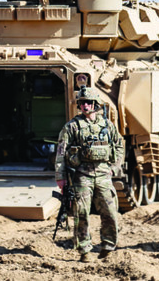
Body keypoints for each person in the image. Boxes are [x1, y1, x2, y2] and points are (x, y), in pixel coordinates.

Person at [54, 86, 124, 263]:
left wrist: (114, 168)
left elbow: (119, 146)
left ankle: (108, 247)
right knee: (81, 213)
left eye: (88, 102)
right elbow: (61, 153)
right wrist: (60, 178)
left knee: (110, 211)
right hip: (82, 175)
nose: (85, 105)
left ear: (95, 104)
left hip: (103, 175)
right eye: (82, 103)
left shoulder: (107, 126)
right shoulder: (72, 127)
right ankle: (84, 250)